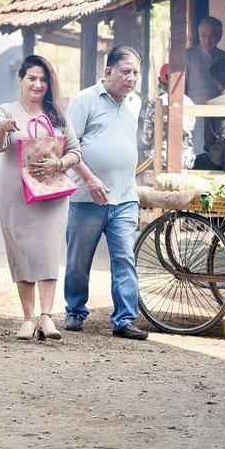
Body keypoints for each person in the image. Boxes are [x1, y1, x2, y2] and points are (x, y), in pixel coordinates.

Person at [0, 55, 82, 341]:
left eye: (43, 79)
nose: (37, 84)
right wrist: (3, 128)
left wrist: (59, 164)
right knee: (21, 253)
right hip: (14, 193)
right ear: (21, 79)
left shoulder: (58, 114)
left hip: (51, 195)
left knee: (49, 251)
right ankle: (28, 318)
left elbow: (76, 151)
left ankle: (47, 317)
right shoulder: (6, 110)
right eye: (32, 78)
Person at [64, 47, 149, 340]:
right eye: (125, 71)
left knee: (125, 257)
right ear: (108, 71)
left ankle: (124, 319)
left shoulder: (135, 103)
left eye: (136, 72)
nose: (131, 78)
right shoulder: (85, 100)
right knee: (78, 260)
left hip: (124, 196)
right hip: (87, 197)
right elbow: (68, 145)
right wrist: (90, 179)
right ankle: (75, 310)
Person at [139, 64, 197, 170]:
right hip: (187, 160)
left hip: (161, 159)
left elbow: (147, 138)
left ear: (160, 81)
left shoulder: (156, 103)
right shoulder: (190, 103)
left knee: (135, 172)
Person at [185, 16, 225, 154]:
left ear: (220, 36)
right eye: (204, 35)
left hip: (220, 114)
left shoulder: (224, 57)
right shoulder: (188, 56)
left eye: (212, 36)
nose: (207, 40)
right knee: (197, 151)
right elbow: (181, 90)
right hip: (195, 115)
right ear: (199, 35)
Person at [194, 57, 225, 173]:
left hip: (221, 160)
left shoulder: (212, 104)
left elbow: (208, 141)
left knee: (199, 161)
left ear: (216, 82)